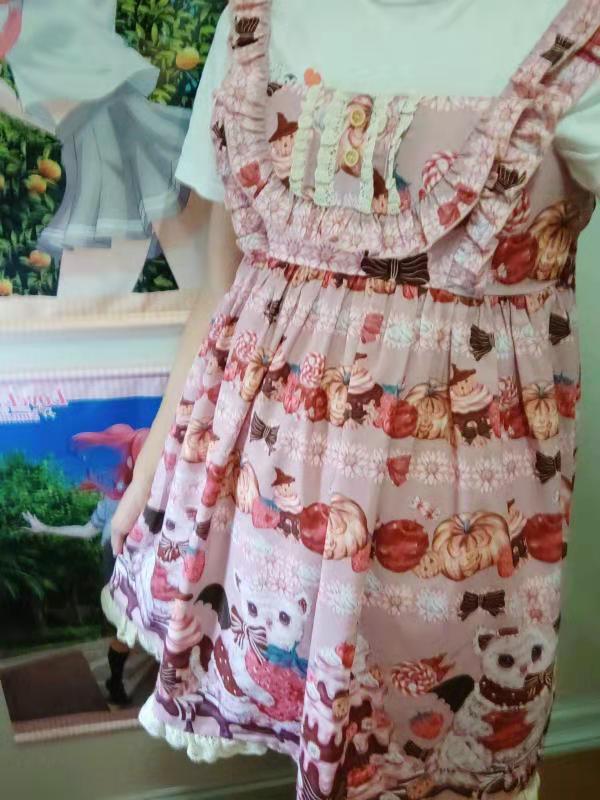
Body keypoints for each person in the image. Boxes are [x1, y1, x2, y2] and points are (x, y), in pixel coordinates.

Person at [102, 2, 600, 799]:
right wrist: (151, 474)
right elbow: (221, 289)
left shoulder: (569, 30)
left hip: (441, 562)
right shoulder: (255, 21)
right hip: (248, 517)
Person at [22, 424, 149, 706]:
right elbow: (87, 530)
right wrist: (45, 528)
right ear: (133, 461)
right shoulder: (113, 500)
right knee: (125, 629)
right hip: (118, 564)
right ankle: (115, 682)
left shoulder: (171, 494)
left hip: (152, 566)